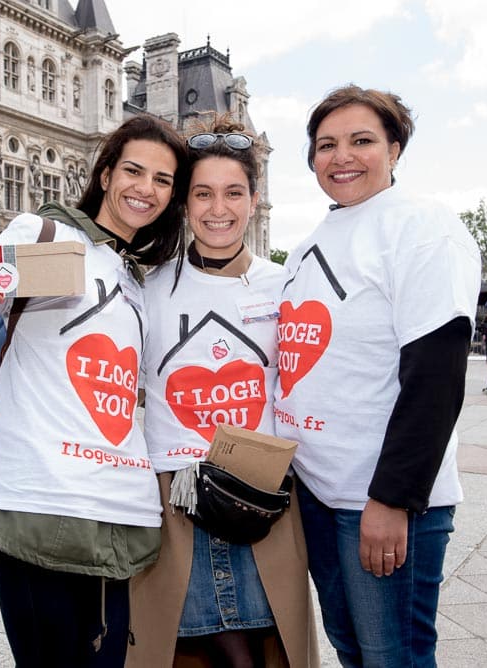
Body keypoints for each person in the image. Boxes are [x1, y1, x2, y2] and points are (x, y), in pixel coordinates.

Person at [0, 114, 189, 667]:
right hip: (41, 504)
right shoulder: (46, 238)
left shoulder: (134, 277)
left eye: (163, 179)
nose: (145, 188)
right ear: (105, 174)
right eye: (133, 170)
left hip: (121, 511)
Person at [273, 85, 480, 667]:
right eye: (325, 145)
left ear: (394, 148)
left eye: (361, 141)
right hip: (317, 494)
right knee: (353, 651)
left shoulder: (422, 226)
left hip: (379, 501)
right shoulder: (310, 243)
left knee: (395, 658)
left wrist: (391, 499)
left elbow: (436, 375)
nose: (342, 157)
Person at [130, 119, 318, 667]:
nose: (219, 208)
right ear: (183, 204)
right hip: (177, 501)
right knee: (187, 653)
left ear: (254, 200)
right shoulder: (146, 286)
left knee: (266, 651)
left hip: (263, 502)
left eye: (234, 192)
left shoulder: (283, 284)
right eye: (203, 193)